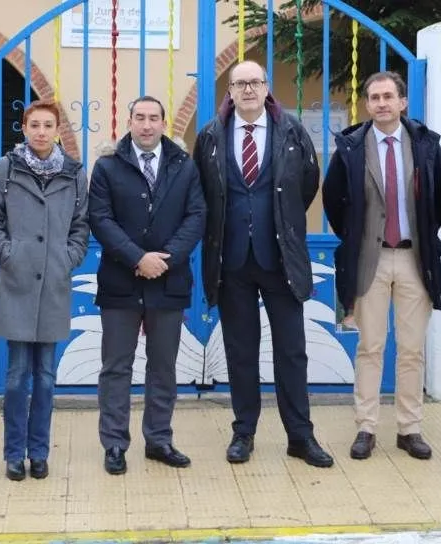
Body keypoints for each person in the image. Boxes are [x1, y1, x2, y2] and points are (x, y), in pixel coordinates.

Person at [193, 60, 333, 468]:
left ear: (266, 86)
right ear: (230, 91)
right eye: (240, 84)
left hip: (280, 261)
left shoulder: (291, 130)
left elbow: (307, 183)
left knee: (292, 351)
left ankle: (300, 436)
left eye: (255, 82)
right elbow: (204, 192)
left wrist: (283, 223)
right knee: (241, 351)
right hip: (232, 260)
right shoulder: (211, 136)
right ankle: (244, 433)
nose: (248, 89)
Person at [322, 71, 441, 461]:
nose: (381, 103)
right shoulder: (351, 147)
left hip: (414, 257)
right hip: (369, 259)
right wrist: (360, 234)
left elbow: (440, 197)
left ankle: (410, 429)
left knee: (411, 349)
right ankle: (366, 427)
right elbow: (333, 199)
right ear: (367, 104)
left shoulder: (425, 145)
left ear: (402, 101)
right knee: (370, 346)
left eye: (388, 96)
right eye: (374, 97)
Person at [89, 96, 206, 475]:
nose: (146, 125)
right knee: (116, 367)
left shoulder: (184, 166)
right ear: (129, 121)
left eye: (153, 118)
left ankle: (158, 439)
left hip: (168, 282)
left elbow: (196, 216)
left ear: (163, 122)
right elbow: (100, 219)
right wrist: (138, 258)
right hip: (121, 281)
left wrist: (165, 259)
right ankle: (114, 444)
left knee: (163, 366)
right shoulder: (107, 166)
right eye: (139, 118)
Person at [0, 99, 90, 481]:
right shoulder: (6, 169)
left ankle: (39, 452)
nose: (41, 132)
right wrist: (8, 255)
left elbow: (81, 224)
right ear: (24, 129)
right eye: (34, 125)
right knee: (16, 376)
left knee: (45, 376)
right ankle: (14, 453)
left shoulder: (75, 173)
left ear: (58, 130)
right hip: (16, 282)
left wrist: (68, 257)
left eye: (48, 125)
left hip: (54, 285)